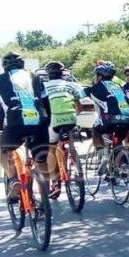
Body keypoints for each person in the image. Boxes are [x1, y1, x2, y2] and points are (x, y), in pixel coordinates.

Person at [0, 52, 50, 201]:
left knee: (4, 149)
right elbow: (46, 104)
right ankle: (44, 199)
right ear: (23, 64)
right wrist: (47, 122)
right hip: (39, 124)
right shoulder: (36, 78)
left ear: (4, 67)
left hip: (15, 124)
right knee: (41, 160)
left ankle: (13, 179)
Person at [43, 61, 85, 198]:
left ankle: (55, 183)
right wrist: (75, 117)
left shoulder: (43, 87)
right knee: (69, 143)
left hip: (54, 119)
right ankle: (76, 167)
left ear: (48, 75)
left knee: (51, 149)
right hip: (70, 118)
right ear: (62, 73)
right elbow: (79, 107)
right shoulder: (70, 85)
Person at [85, 61, 129, 160]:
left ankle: (102, 156)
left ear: (99, 77)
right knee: (118, 142)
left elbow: (79, 94)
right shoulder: (119, 86)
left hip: (109, 119)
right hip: (127, 119)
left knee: (96, 131)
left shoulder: (96, 87)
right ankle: (118, 166)